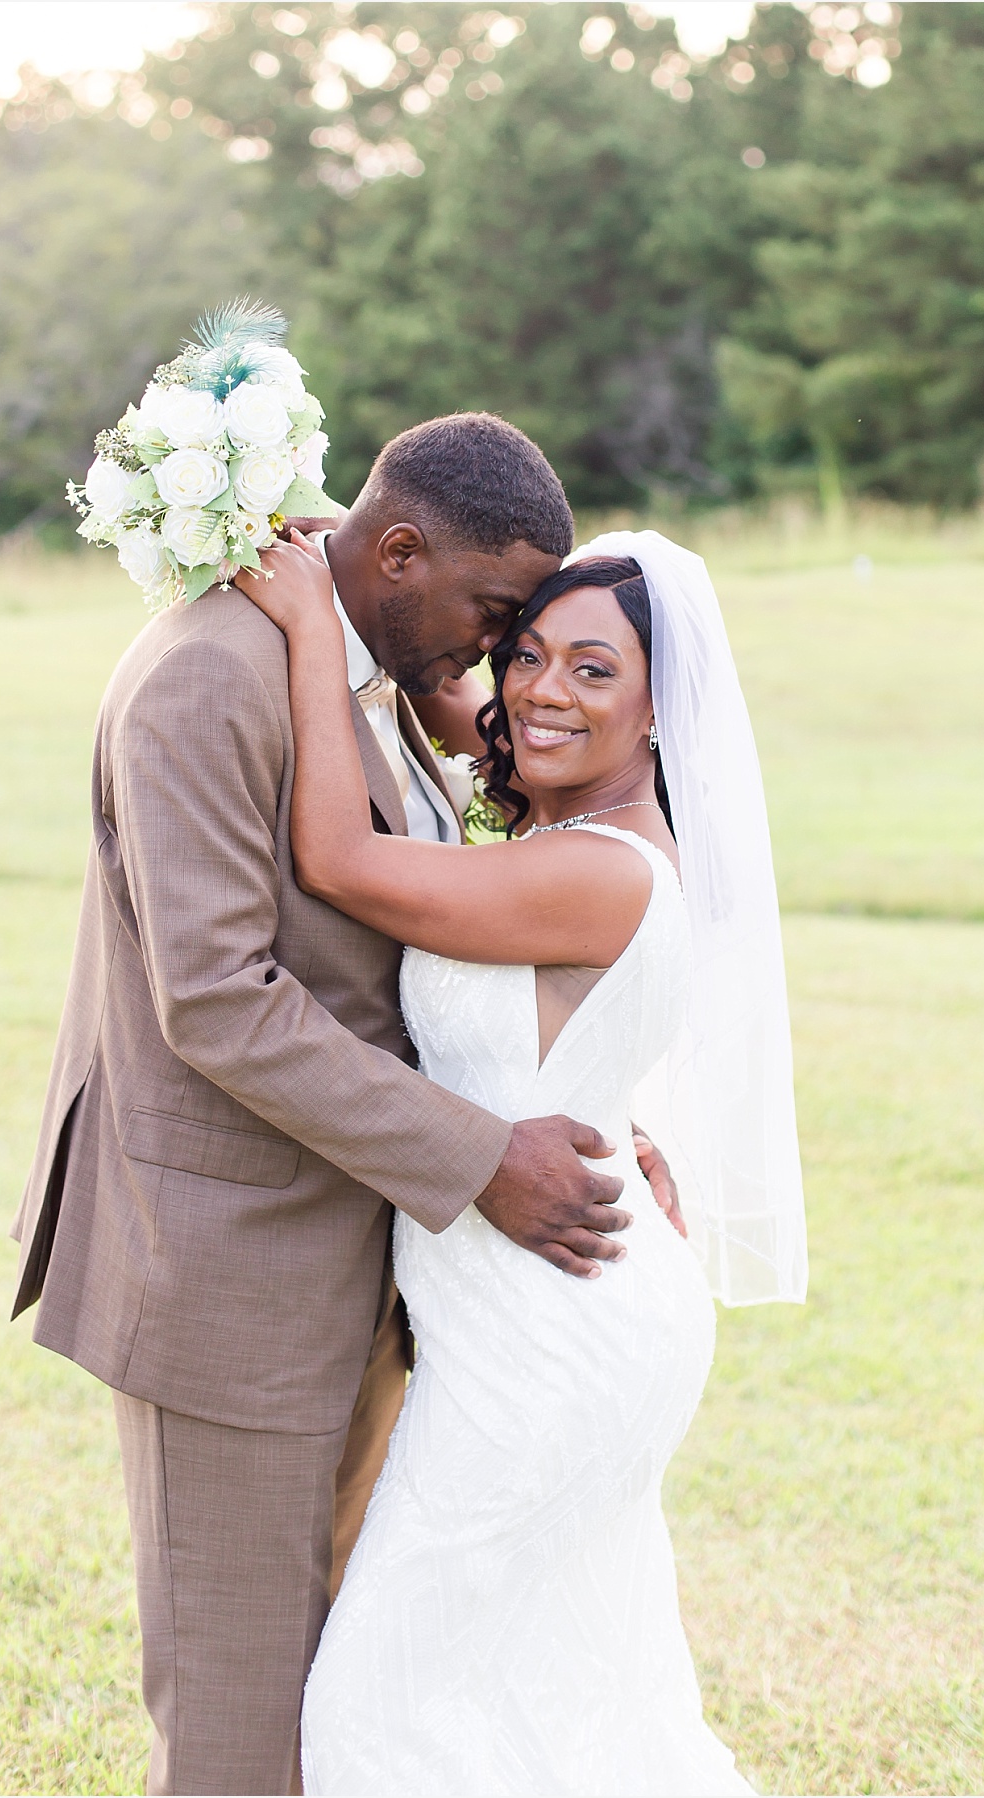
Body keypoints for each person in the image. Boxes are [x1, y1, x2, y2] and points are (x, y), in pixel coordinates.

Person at [9, 414, 682, 1797]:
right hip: (231, 1279)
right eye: (500, 616)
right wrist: (482, 1152)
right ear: (394, 551)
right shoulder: (216, 675)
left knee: (349, 1715)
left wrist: (584, 1098)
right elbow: (219, 998)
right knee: (242, 1733)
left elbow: (419, 941)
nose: (503, 657)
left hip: (370, 1271)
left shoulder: (361, 659)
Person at [235, 526, 808, 1796]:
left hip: (553, 1344)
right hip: (544, 1312)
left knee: (382, 1698)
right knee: (545, 1693)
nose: (544, 690)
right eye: (528, 653)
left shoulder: (593, 873)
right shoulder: (588, 835)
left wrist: (310, 630)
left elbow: (335, 858)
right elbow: (451, 697)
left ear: (665, 708)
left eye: (595, 672)